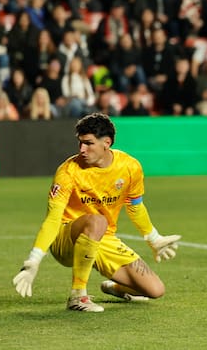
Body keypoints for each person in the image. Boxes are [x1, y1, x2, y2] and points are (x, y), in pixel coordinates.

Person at [12, 113, 181, 312]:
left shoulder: (129, 167)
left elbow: (135, 206)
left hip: (102, 237)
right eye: (80, 143)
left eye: (88, 143)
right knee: (98, 221)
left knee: (155, 290)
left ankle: (115, 288)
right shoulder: (68, 172)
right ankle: (78, 296)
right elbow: (53, 218)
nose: (82, 149)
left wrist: (153, 238)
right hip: (65, 237)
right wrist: (34, 259)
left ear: (106, 143)